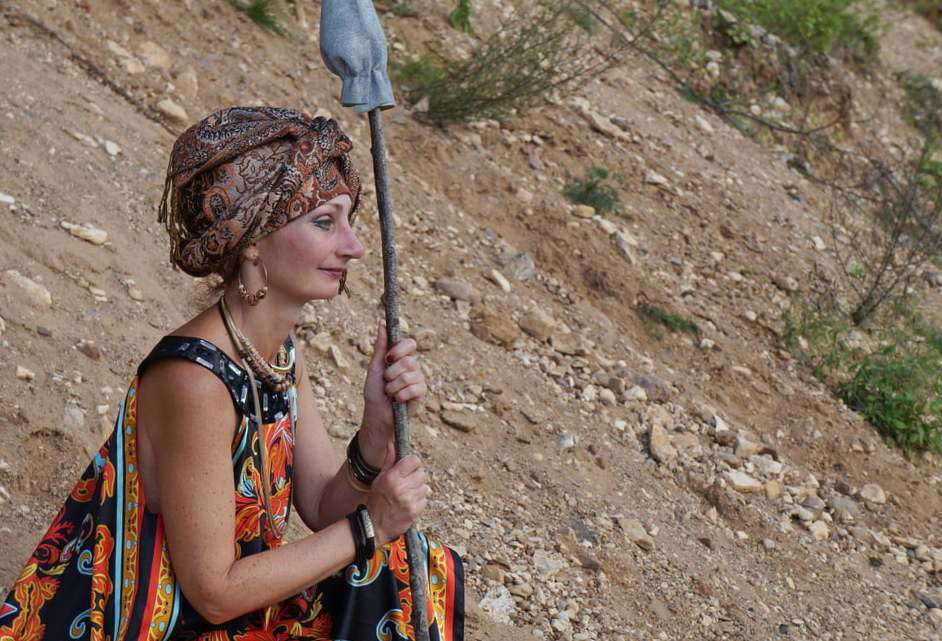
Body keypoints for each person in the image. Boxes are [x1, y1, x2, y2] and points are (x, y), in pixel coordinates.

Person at [0, 106, 464, 641]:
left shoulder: (277, 352)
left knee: (410, 566)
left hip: (227, 616)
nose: (354, 246)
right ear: (253, 239)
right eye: (324, 222)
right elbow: (214, 593)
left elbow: (321, 506)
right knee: (384, 561)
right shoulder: (194, 378)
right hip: (155, 624)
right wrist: (372, 525)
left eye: (348, 221)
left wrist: (375, 431)